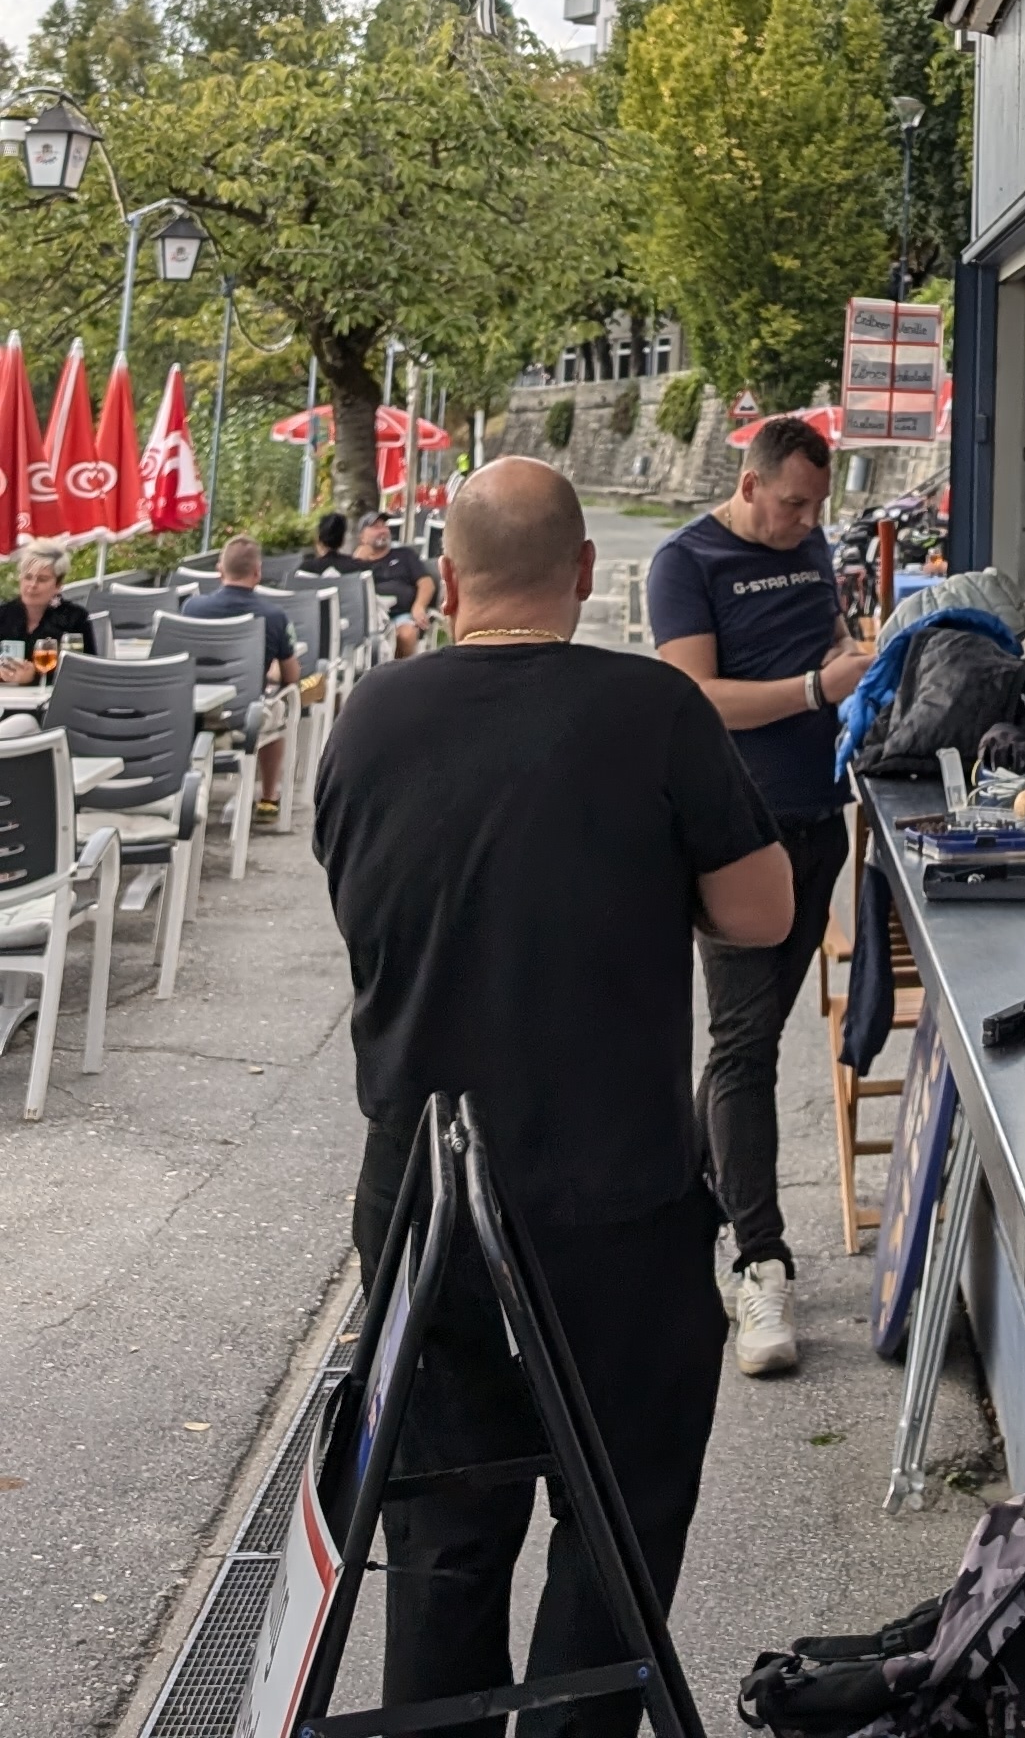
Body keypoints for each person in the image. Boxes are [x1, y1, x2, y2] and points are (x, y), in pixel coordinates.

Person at [315, 460, 789, 1738]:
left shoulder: (368, 718)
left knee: (443, 1528)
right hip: (610, 1196)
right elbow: (762, 912)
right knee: (620, 1515)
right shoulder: (653, 710)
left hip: (421, 1192)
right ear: (586, 573)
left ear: (447, 579)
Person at [648, 414, 864, 1379]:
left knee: (754, 1037)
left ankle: (672, 1206)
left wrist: (855, 665)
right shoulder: (686, 562)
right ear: (749, 485)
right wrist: (816, 690)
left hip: (819, 821)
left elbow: (827, 637)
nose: (806, 521)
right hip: (737, 833)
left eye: (816, 507)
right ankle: (760, 1261)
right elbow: (693, 696)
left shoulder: (811, 545)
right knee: (744, 1044)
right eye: (792, 504)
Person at [182, 533, 300, 809]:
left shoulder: (191, 607)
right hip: (242, 718)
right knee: (280, 707)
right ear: (257, 573)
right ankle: (269, 797)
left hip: (192, 713)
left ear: (219, 570)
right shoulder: (274, 616)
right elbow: (292, 676)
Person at [0, 548, 97, 674]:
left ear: (58, 585)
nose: (32, 585)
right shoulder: (3, 614)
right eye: (28, 577)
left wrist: (33, 676)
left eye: (42, 579)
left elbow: (87, 670)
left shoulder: (74, 618)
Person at [355, 509, 437, 656]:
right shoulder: (356, 564)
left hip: (401, 615)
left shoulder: (405, 555)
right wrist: (357, 562)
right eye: (375, 527)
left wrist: (419, 606)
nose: (382, 530)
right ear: (362, 537)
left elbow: (426, 583)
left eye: (384, 526)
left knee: (406, 635)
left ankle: (402, 670)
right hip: (369, 621)